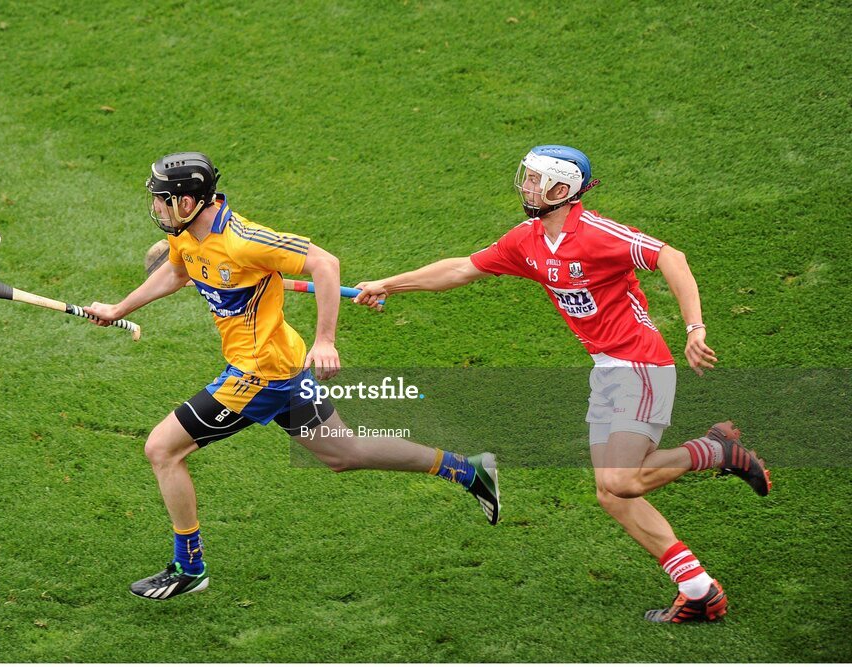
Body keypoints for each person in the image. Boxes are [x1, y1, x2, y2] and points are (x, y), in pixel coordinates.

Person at [353, 145, 771, 623]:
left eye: (538, 180)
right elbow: (460, 268)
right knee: (612, 495)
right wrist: (388, 283)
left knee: (622, 480)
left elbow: (671, 258)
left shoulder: (596, 234)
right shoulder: (527, 240)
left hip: (641, 365)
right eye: (527, 177)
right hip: (607, 372)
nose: (527, 187)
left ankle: (717, 452)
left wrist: (694, 328)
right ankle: (699, 590)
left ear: (564, 190)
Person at [84, 152, 500, 601]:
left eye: (164, 201)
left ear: (189, 201)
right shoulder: (187, 236)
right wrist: (119, 309)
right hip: (283, 362)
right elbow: (176, 271)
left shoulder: (244, 240)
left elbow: (326, 263)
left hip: (260, 375)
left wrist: (326, 340)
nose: (159, 209)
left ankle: (189, 566)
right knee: (344, 453)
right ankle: (468, 470)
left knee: (162, 449)